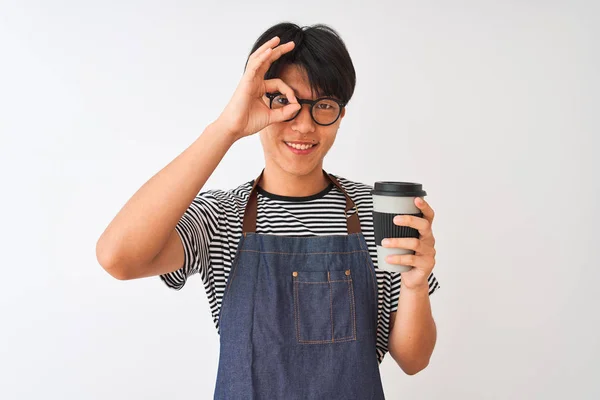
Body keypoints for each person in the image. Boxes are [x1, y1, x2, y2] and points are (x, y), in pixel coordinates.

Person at [96, 22, 440, 399]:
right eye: (285, 103)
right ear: (259, 101)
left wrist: (414, 282)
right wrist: (227, 127)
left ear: (341, 114)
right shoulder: (221, 217)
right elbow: (118, 257)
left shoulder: (378, 212)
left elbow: (413, 359)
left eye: (323, 105)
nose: (304, 125)